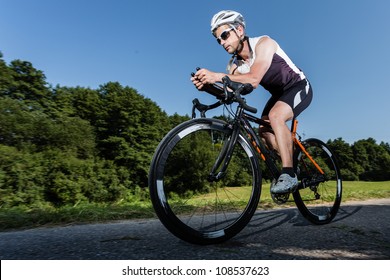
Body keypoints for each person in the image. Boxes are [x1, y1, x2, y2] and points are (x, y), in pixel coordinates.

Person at [191, 10, 313, 194]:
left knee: (275, 116)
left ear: (239, 30)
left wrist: (215, 76)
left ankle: (288, 173)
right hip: (278, 94)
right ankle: (292, 162)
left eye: (225, 35)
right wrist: (207, 86)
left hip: (298, 86)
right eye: (219, 40)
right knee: (263, 130)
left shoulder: (264, 43)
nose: (222, 43)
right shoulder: (235, 66)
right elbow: (230, 93)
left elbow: (254, 78)